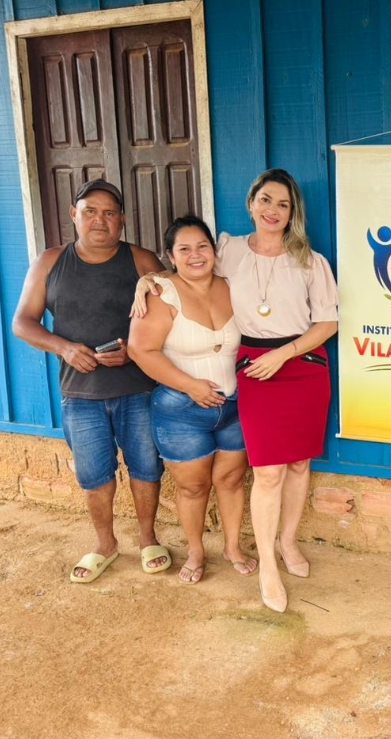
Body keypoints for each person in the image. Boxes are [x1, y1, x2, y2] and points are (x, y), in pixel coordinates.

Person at [134, 169, 338, 612]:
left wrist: (285, 354)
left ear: (293, 212)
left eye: (283, 204)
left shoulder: (310, 261)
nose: (273, 211)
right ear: (251, 203)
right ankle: (267, 566)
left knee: (299, 463)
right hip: (255, 369)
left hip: (302, 364)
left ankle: (288, 542)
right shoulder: (229, 249)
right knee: (268, 471)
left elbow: (327, 323)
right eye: (265, 200)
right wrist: (150, 279)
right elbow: (190, 269)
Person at [12, 179, 171, 583]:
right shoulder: (50, 262)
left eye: (109, 213)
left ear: (122, 220)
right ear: (74, 215)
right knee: (94, 474)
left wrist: (134, 349)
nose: (100, 220)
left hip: (137, 389)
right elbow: (22, 323)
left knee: (145, 466)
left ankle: (148, 538)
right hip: (80, 393)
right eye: (90, 211)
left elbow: (174, 316)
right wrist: (64, 348)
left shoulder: (140, 260)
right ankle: (105, 543)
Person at [127, 216, 257, 584]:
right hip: (181, 410)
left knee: (231, 479)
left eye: (202, 246)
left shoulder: (232, 285)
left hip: (234, 405)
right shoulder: (160, 294)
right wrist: (190, 386)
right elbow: (140, 349)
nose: (195, 255)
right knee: (192, 486)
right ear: (170, 256)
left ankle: (232, 547)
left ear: (214, 251)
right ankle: (197, 551)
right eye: (184, 249)